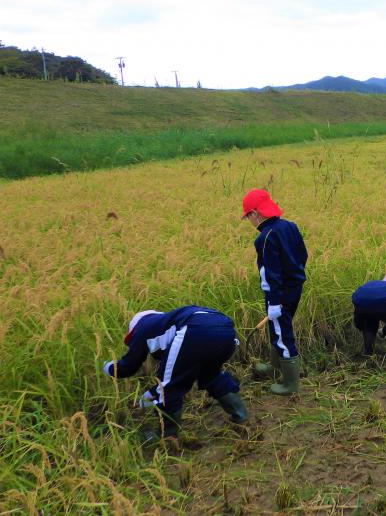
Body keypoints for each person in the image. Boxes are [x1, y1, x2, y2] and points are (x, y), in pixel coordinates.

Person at [102, 306, 247, 441]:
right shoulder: (166, 321)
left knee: (169, 388)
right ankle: (241, 417)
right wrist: (153, 393)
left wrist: (105, 366)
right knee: (212, 376)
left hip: (195, 329)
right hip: (226, 328)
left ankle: (168, 437)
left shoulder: (141, 328)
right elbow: (184, 370)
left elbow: (127, 368)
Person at [242, 188, 308, 395]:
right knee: (276, 328)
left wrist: (274, 303)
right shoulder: (290, 226)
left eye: (248, 216)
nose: (249, 221)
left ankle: (290, 385)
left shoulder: (264, 238)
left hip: (278, 295)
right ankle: (275, 365)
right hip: (294, 288)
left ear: (255, 213)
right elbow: (303, 255)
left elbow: (271, 274)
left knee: (282, 334)